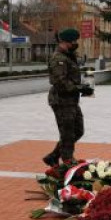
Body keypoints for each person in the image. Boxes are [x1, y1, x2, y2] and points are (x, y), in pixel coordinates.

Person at [43, 28, 94, 167]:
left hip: (71, 100)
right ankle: (68, 161)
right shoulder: (58, 58)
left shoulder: (69, 56)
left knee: (78, 130)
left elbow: (71, 77)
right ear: (65, 42)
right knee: (67, 133)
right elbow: (60, 82)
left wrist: (84, 86)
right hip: (61, 100)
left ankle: (53, 156)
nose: (75, 43)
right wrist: (79, 88)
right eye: (73, 41)